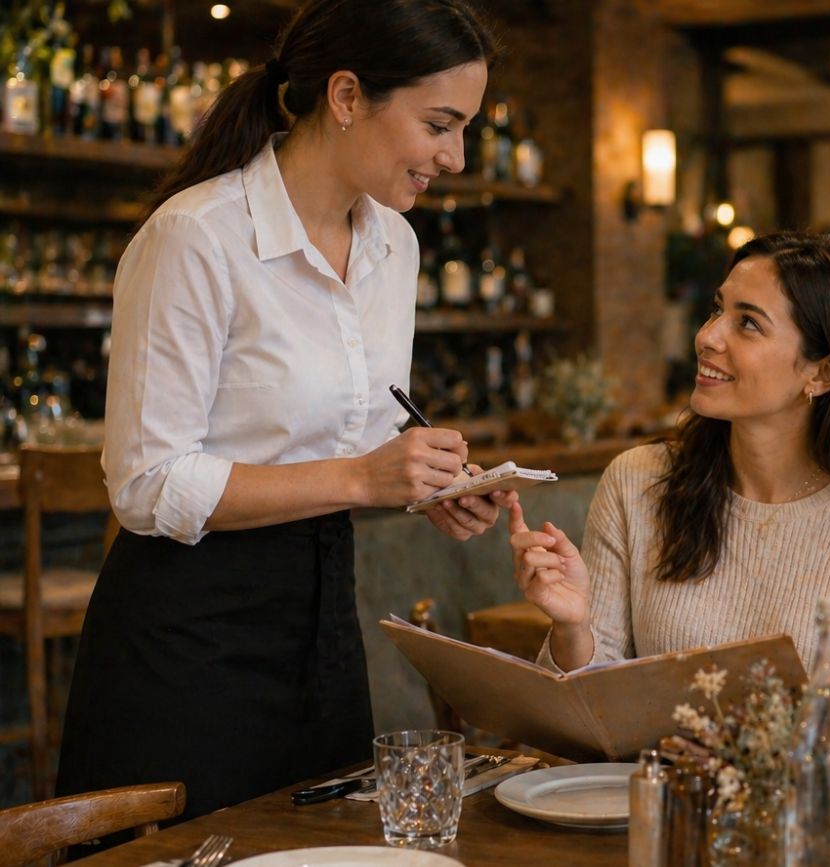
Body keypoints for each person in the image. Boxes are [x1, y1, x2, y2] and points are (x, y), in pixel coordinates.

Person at [57, 0, 504, 821]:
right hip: (187, 637)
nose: (457, 155)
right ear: (344, 97)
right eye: (440, 124)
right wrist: (364, 478)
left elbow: (359, 441)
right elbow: (149, 485)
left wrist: (428, 482)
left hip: (325, 624)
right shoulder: (196, 237)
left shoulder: (393, 246)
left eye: (466, 128)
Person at [502, 232, 830, 689]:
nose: (707, 336)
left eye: (748, 324)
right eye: (718, 309)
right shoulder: (637, 481)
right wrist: (573, 628)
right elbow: (588, 712)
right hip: (642, 764)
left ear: (821, 373)